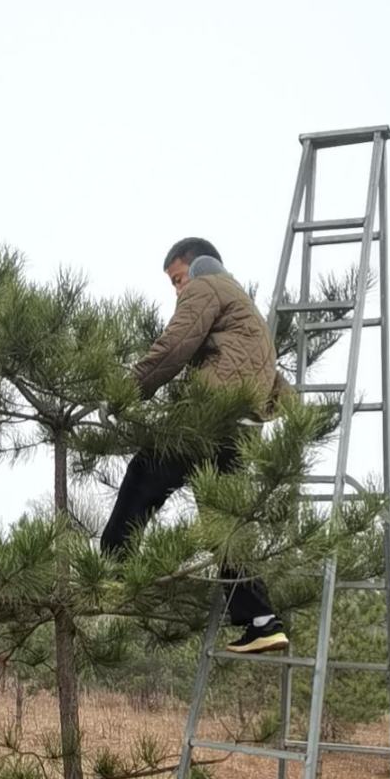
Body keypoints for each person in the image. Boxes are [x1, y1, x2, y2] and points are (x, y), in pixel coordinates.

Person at [100, 236, 288, 655]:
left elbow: (174, 347)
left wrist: (125, 391)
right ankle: (261, 621)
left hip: (207, 421)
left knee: (144, 475)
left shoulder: (208, 285)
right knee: (226, 529)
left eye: (177, 278)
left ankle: (111, 571)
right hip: (240, 431)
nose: (178, 290)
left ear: (198, 265)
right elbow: (277, 386)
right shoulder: (249, 311)